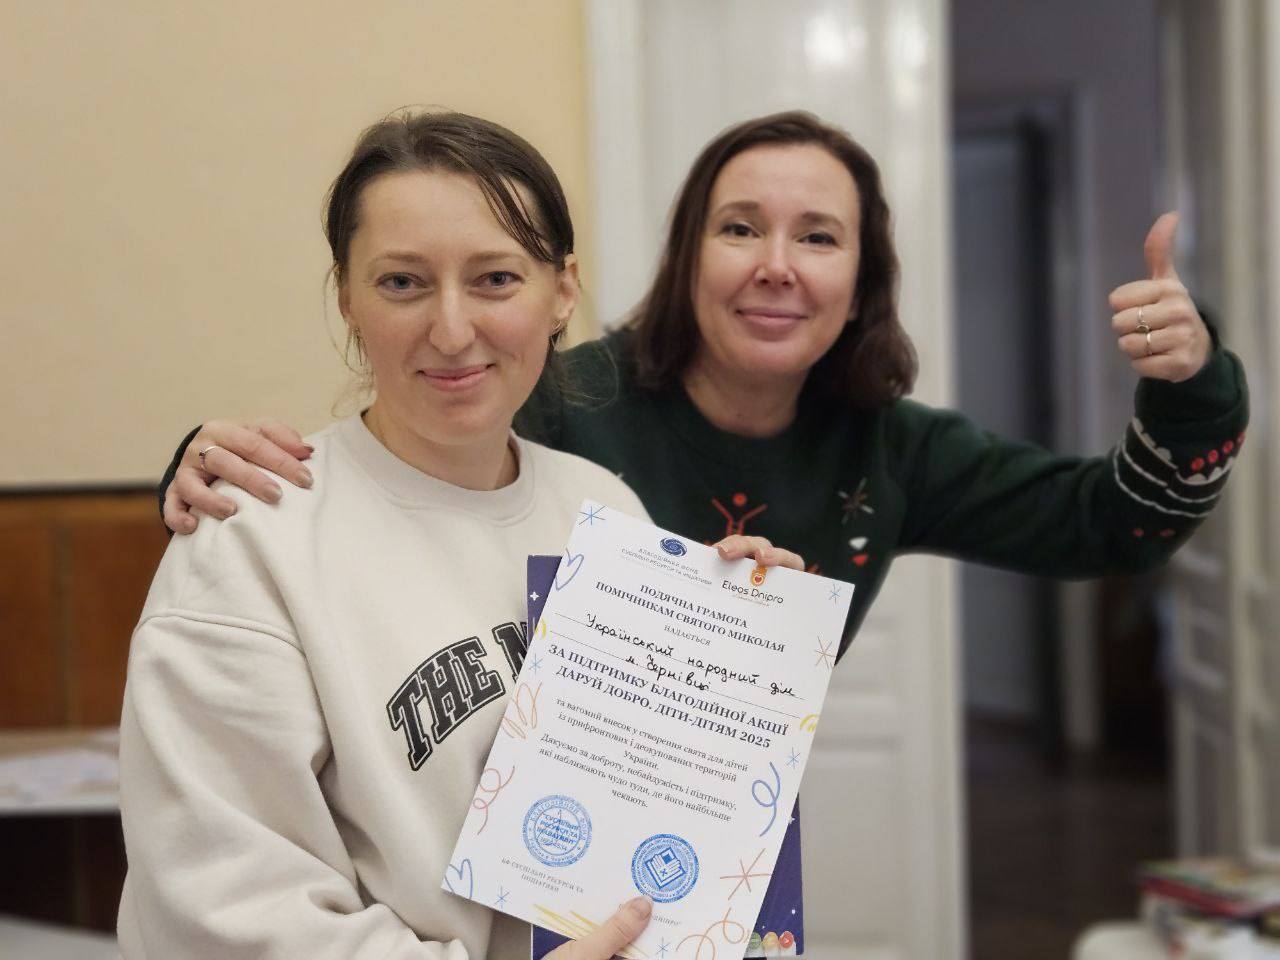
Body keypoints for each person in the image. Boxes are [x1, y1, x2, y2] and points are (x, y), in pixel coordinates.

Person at [161, 111, 1248, 663]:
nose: (775, 265)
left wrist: (1192, 381)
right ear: (687, 256)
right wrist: (202, 472)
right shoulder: (553, 401)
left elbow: (1118, 527)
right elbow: (384, 468)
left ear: (860, 282)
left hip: (716, 854)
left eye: (817, 236)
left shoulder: (893, 451)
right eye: (738, 228)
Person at [119, 110, 803, 960]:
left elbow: (664, 826)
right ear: (347, 298)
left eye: (495, 279)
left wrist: (732, 658)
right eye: (403, 282)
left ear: (561, 293)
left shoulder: (604, 509)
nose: (450, 330)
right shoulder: (253, 534)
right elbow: (222, 907)